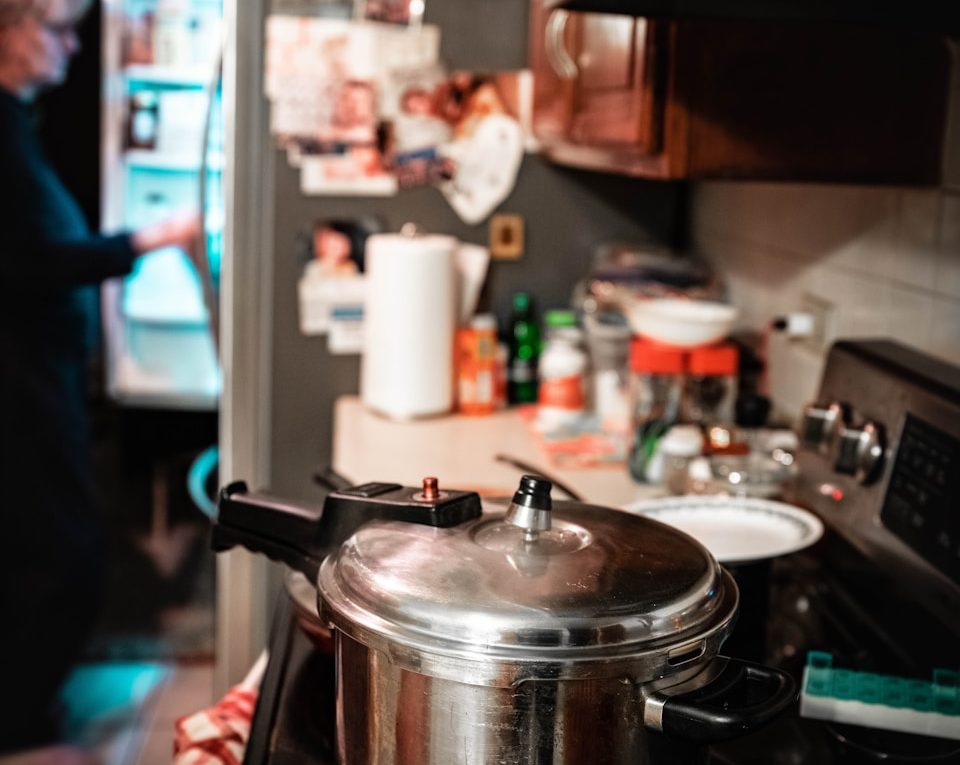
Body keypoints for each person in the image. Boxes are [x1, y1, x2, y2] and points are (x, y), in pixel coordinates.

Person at [0, 0, 201, 753]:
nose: (73, 45)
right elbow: (37, 261)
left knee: (52, 546)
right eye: (56, 28)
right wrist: (151, 236)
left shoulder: (17, 122)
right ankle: (21, 725)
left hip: (37, 375)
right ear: (6, 30)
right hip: (19, 383)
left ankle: (30, 714)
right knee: (60, 553)